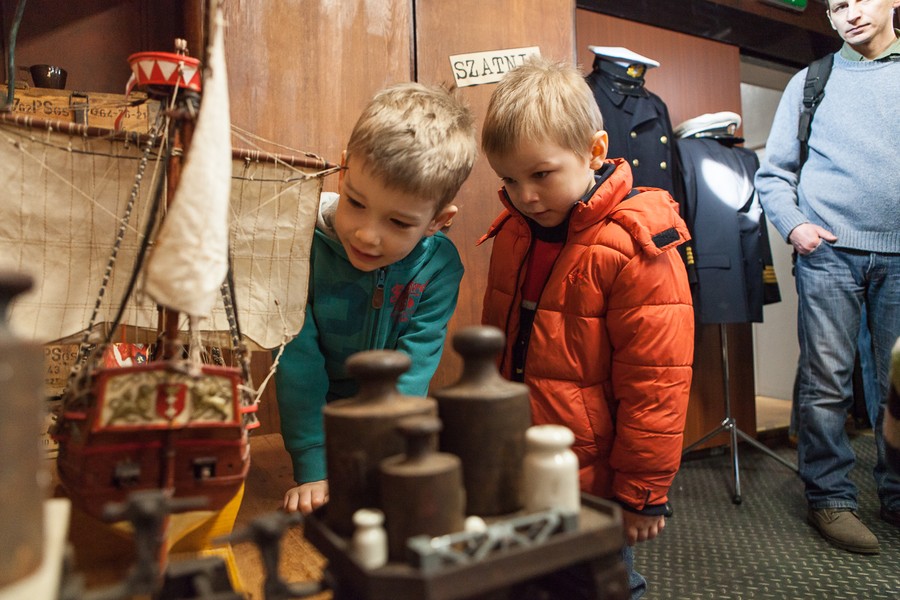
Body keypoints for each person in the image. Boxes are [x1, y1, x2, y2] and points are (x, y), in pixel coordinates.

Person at [478, 56, 693, 599]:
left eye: (541, 175)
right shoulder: (514, 232)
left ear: (594, 152)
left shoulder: (635, 247)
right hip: (523, 460)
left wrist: (642, 491)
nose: (525, 195)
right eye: (509, 178)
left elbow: (656, 383)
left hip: (593, 476)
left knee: (603, 585)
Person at [275, 82, 477, 515]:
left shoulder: (439, 269)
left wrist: (388, 451)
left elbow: (412, 371)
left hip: (391, 423)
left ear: (438, 221)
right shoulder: (300, 245)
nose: (367, 234)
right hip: (314, 418)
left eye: (399, 222)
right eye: (356, 203)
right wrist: (312, 467)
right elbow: (299, 363)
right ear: (343, 171)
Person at [755, 0, 900, 554]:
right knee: (826, 384)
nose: (850, 13)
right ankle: (830, 499)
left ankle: (897, 493)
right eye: (838, 5)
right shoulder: (812, 80)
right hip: (828, 255)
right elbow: (773, 175)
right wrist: (796, 228)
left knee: (898, 388)